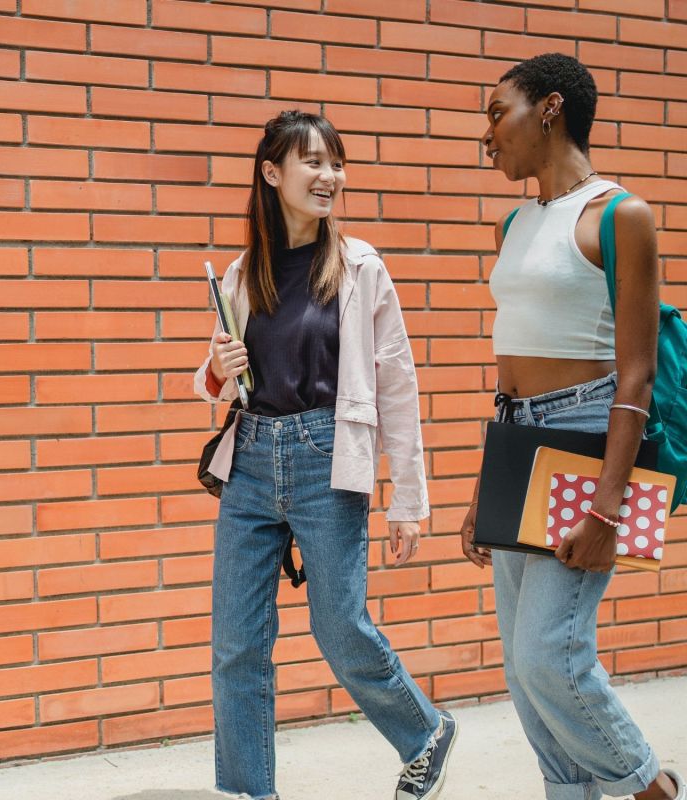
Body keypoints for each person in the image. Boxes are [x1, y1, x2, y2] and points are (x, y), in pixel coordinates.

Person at [194, 110, 457, 800]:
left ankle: (423, 732)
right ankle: (251, 792)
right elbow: (215, 381)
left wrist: (408, 500)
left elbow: (398, 383)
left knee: (341, 625)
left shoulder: (361, 266)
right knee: (236, 648)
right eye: (311, 162)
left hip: (324, 460)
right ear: (272, 173)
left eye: (335, 163)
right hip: (250, 460)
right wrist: (221, 366)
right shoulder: (243, 271)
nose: (328, 176)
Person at [465, 53, 684, 800]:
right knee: (523, 678)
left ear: (551, 108)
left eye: (498, 113)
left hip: (587, 438)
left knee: (548, 657)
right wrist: (482, 491)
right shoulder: (517, 221)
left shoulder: (622, 215)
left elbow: (637, 375)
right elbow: (511, 371)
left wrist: (607, 509)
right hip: (519, 439)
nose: (487, 136)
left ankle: (647, 786)